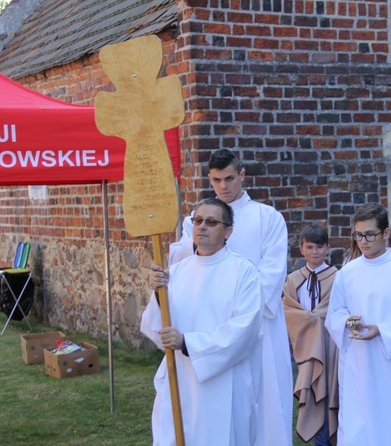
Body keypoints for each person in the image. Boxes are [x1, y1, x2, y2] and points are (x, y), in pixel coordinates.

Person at [165, 149, 293, 445]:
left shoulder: (267, 217)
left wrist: (242, 316)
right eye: (216, 180)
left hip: (257, 322)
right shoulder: (194, 222)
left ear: (242, 176)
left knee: (266, 399)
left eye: (229, 178)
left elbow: (272, 272)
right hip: (211, 322)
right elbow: (186, 265)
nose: (223, 186)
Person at [141, 198, 263, 446]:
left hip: (223, 381)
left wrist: (188, 342)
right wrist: (158, 292)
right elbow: (156, 327)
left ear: (228, 231)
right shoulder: (176, 272)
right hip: (180, 377)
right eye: (197, 220)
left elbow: (245, 329)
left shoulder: (243, 271)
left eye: (211, 222)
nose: (202, 227)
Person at [325, 203, 391, 446]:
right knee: (357, 420)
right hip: (358, 363)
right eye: (358, 235)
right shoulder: (347, 273)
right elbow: (335, 315)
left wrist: (381, 330)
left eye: (370, 234)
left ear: (385, 233)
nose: (363, 241)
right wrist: (348, 323)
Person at [283, 224, 339, 445]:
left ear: (327, 248)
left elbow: (335, 309)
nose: (314, 251)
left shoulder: (337, 277)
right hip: (306, 347)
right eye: (310, 247)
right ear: (301, 249)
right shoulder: (294, 280)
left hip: (331, 346)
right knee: (312, 391)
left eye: (319, 247)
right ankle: (319, 438)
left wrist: (311, 318)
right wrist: (310, 321)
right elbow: (289, 310)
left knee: (329, 393)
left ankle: (325, 438)